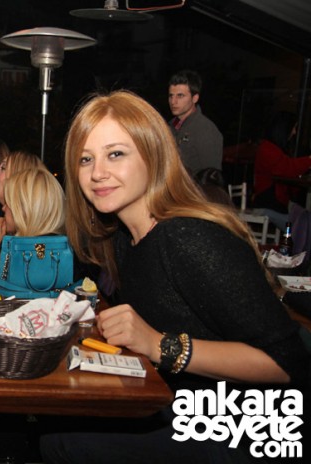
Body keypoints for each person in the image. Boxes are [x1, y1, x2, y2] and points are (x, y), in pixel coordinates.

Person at [40, 90, 309, 463]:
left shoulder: (187, 237)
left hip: (250, 428)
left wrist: (160, 345)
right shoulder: (122, 238)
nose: (97, 172)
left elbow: (286, 364)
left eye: (115, 154)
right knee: (60, 419)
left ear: (153, 155)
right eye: (86, 159)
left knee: (64, 440)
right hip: (184, 404)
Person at [0, 168, 65, 278]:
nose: (3, 208)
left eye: (8, 202)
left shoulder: (30, 254)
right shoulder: (55, 248)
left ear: (24, 209)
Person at [252, 111, 311, 214]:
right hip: (269, 204)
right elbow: (287, 168)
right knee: (300, 219)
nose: (294, 132)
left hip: (274, 202)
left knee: (302, 216)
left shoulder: (271, 148)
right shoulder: (267, 149)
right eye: (293, 128)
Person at [167, 70, 223, 175]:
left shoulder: (205, 130)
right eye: (171, 96)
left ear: (195, 98)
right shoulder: (169, 126)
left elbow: (212, 177)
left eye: (180, 96)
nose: (173, 101)